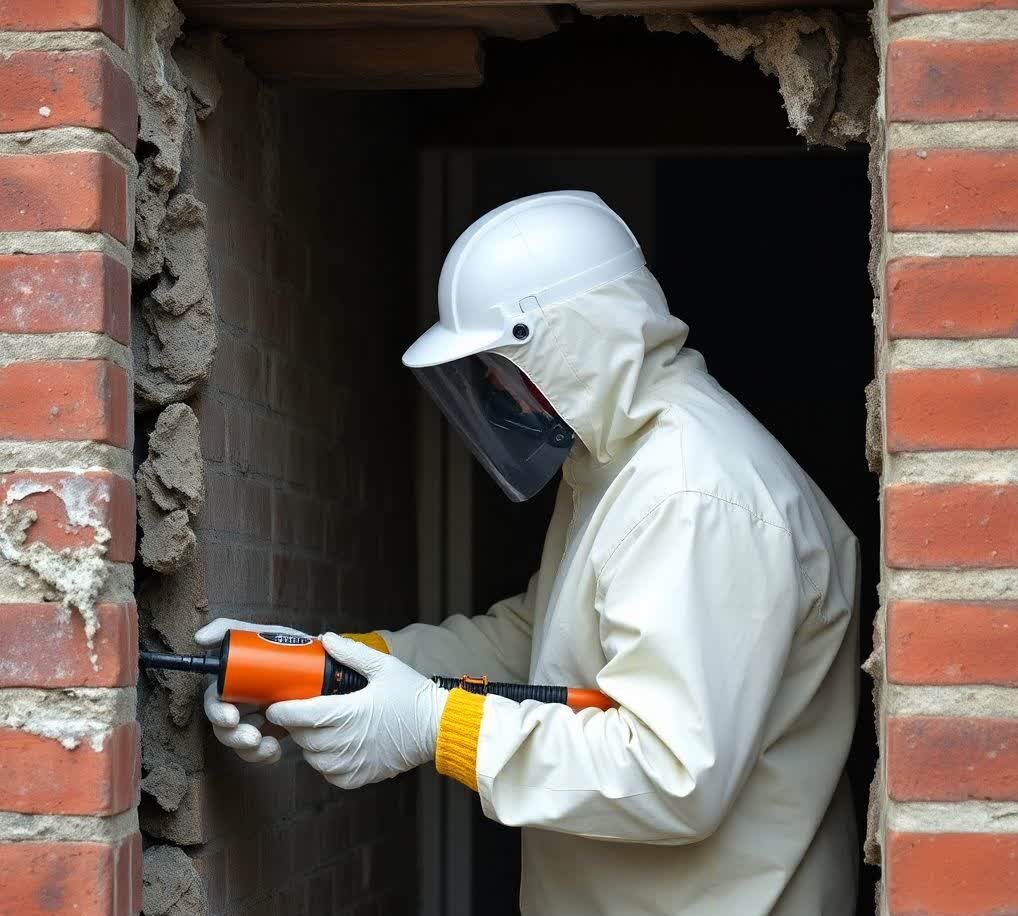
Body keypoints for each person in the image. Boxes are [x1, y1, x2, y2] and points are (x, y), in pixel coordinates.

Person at [197, 191, 861, 915]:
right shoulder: (624, 465)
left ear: (567, 342)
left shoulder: (691, 495)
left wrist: (432, 723)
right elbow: (539, 639)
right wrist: (329, 666)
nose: (489, 385)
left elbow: (672, 774)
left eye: (497, 362)